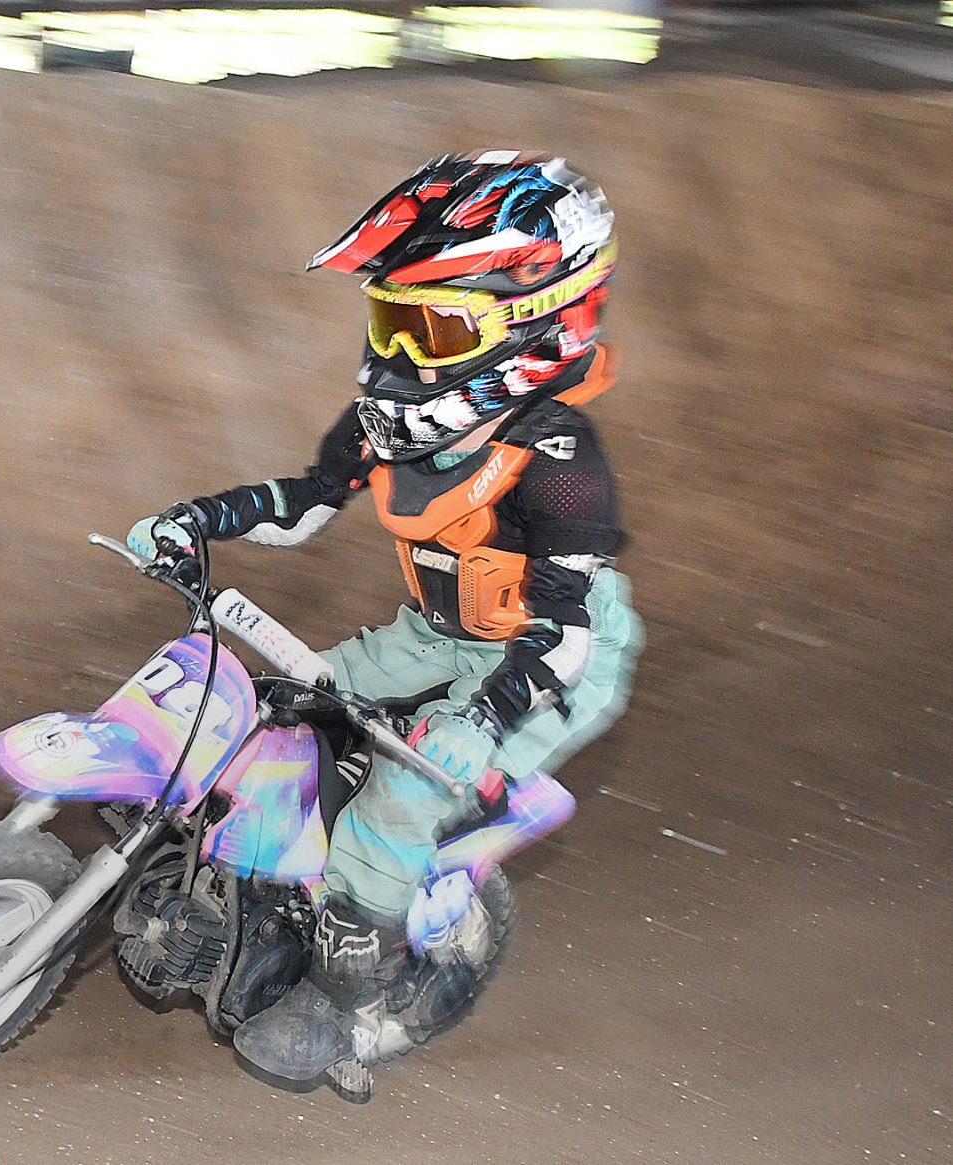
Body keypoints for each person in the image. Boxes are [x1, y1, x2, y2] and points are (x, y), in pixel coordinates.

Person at [126, 151, 644, 1093]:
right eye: (389, 324)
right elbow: (307, 501)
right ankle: (252, 882)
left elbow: (564, 631)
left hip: (551, 658)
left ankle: (339, 1000)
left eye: (431, 329)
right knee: (284, 707)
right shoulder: (385, 423)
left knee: (399, 802)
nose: (399, 358)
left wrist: (478, 721)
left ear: (538, 324)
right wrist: (198, 519)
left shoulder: (562, 457)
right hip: (439, 632)